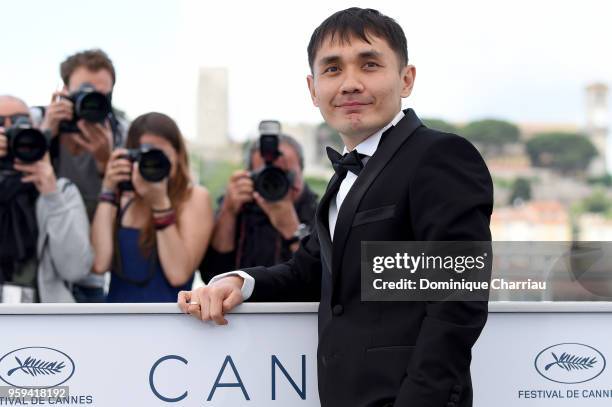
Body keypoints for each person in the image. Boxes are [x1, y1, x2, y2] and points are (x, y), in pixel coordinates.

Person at [179, 7, 493, 407]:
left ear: (406, 78)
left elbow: (456, 303)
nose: (349, 83)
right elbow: (308, 273)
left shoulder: (440, 156)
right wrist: (239, 282)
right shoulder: (343, 177)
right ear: (313, 89)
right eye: (332, 69)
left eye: (369, 64)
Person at [92, 112, 213, 302]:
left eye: (159, 154)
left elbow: (178, 274)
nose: (152, 163)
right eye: (145, 154)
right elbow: (99, 264)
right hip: (116, 321)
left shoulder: (193, 197)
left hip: (170, 322)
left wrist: (160, 204)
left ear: (178, 154)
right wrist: (108, 190)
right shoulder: (122, 197)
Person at [39, 48, 128, 302]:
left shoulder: (121, 132)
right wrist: (46, 135)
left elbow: (132, 208)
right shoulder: (38, 121)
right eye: (85, 92)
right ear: (64, 91)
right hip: (40, 267)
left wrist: (106, 162)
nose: (93, 102)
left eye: (103, 95)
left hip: (95, 270)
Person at [0, 95, 93, 303]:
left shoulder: (62, 191)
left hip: (46, 325)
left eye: (19, 121)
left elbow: (76, 269)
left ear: (34, 128)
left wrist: (52, 197)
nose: (8, 130)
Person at [200, 134, 318, 283]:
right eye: (266, 174)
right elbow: (213, 275)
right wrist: (228, 211)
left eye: (285, 173)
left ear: (301, 172)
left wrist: (291, 228)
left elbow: (321, 278)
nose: (275, 181)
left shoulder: (323, 214)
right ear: (250, 175)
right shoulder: (240, 206)